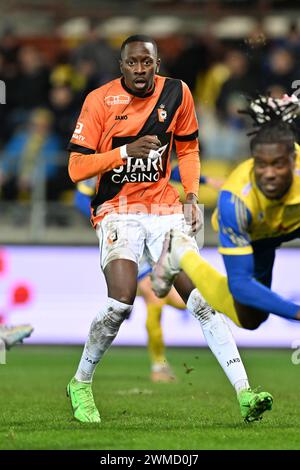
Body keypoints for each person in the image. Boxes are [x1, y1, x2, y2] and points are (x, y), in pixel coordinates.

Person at [66, 35, 272, 424]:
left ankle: (245, 393)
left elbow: (189, 149)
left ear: (157, 63)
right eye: (133, 63)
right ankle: (80, 382)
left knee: (202, 300)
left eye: (148, 62)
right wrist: (126, 152)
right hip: (117, 208)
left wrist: (191, 196)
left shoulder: (178, 93)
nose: (141, 70)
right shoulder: (99, 100)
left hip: (164, 208)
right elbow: (76, 168)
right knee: (121, 301)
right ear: (121, 64)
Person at [152, 94, 300, 331]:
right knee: (250, 319)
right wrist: (296, 312)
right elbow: (240, 284)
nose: (269, 173)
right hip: (257, 235)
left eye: (279, 165)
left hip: (290, 221)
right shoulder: (235, 201)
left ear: (293, 162)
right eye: (262, 165)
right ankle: (181, 252)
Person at [74, 171, 223, 384]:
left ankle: (157, 358)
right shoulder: (104, 159)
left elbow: (169, 169)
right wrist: (103, 214)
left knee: (180, 301)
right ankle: (157, 366)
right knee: (155, 299)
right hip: (125, 230)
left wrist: (207, 180)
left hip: (153, 225)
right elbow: (80, 197)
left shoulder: (141, 148)